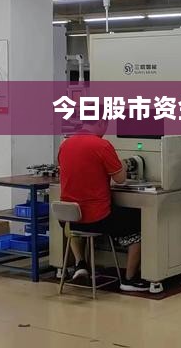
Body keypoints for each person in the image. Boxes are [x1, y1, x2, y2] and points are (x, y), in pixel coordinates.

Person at [58, 117, 149, 292]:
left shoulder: (65, 144)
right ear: (101, 122)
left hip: (69, 217)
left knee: (74, 224)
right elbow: (120, 179)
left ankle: (80, 264)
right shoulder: (102, 145)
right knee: (140, 223)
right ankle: (129, 279)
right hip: (97, 218)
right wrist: (123, 165)